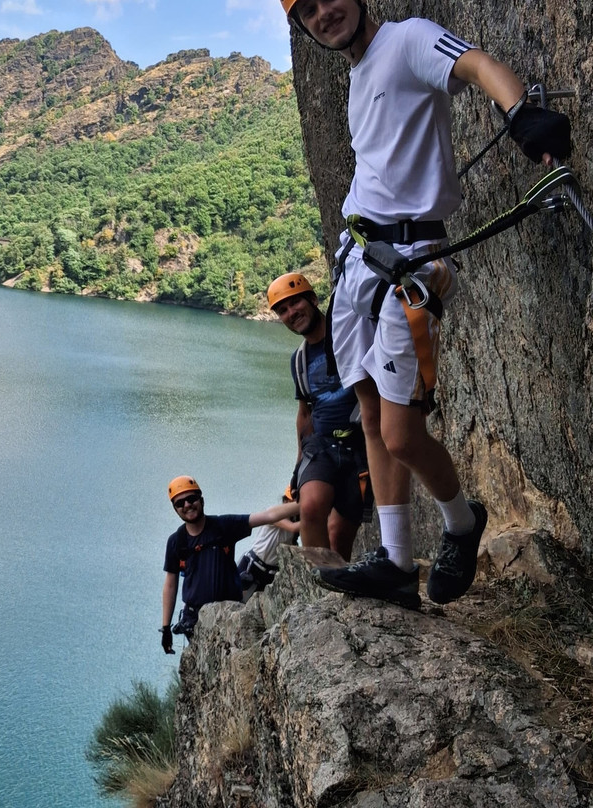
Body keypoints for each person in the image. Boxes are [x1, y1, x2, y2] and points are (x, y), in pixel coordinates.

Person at [279, 0, 571, 608]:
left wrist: (521, 112)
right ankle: (395, 561)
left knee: (402, 434)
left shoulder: (408, 40)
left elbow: (476, 63)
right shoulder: (357, 77)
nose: (323, 14)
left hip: (411, 262)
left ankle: (462, 523)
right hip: (360, 258)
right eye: (307, 11)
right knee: (369, 412)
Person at [268, 272, 370, 562]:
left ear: (313, 299)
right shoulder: (299, 360)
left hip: (361, 445)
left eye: (295, 303)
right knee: (310, 508)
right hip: (322, 445)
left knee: (339, 537)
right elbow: (305, 413)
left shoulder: (348, 334)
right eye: (283, 310)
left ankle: (336, 583)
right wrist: (299, 464)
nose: (291, 313)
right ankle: (320, 582)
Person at [161, 475, 299, 653]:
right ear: (175, 509)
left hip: (230, 613)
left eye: (191, 498)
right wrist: (166, 627)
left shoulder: (223, 526)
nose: (187, 505)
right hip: (195, 619)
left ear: (201, 500)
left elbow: (268, 515)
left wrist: (312, 500)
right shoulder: (176, 541)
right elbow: (170, 584)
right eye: (180, 503)